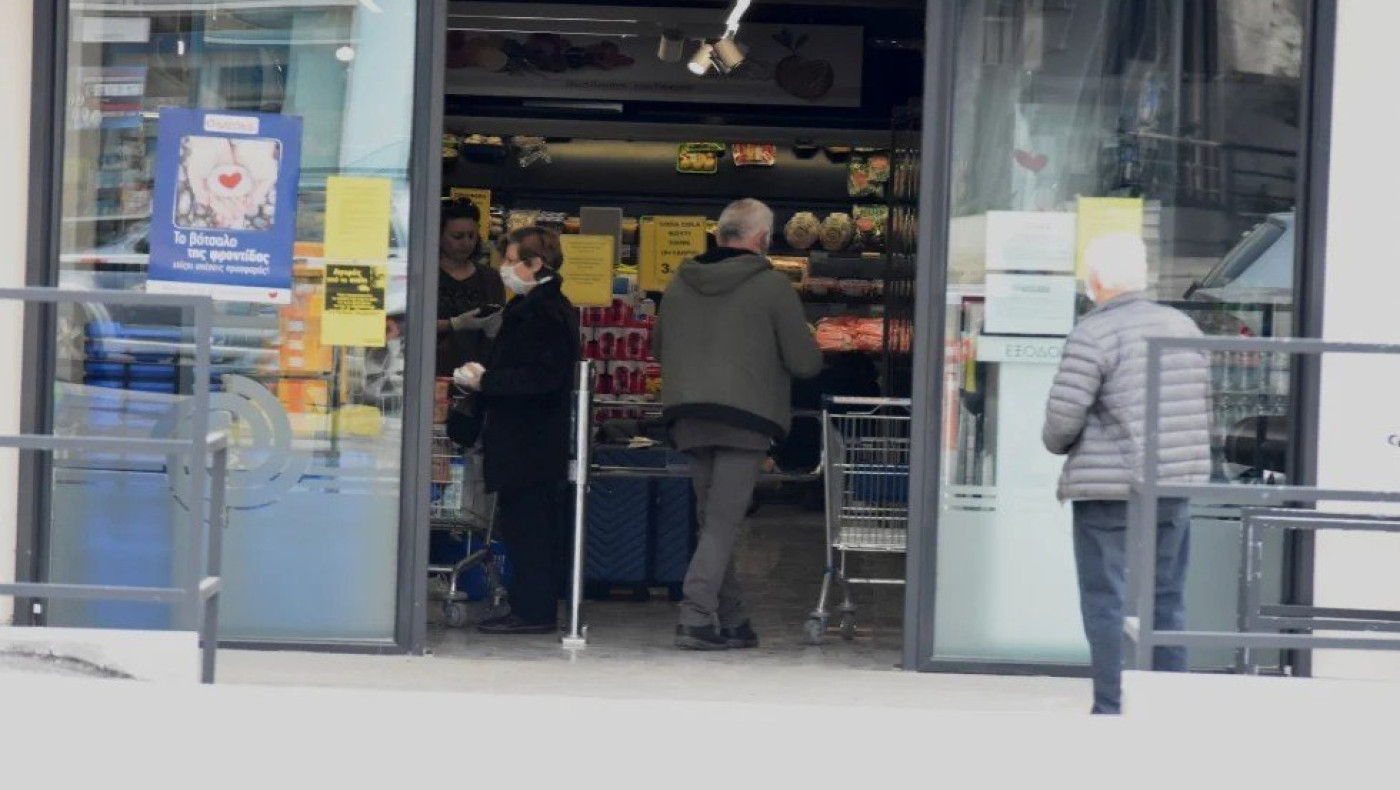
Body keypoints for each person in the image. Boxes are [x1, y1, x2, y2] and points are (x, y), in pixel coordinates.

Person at [1041, 232, 1212, 715]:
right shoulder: (1182, 327)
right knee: (1167, 598)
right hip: (1172, 485)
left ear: (1095, 280)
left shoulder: (1093, 332)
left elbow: (1062, 420)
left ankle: (1112, 705)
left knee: (1105, 598)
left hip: (1107, 488)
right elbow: (1202, 407)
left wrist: (1058, 445)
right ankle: (1168, 702)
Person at [655, 198, 823, 651]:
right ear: (764, 239)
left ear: (718, 234)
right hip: (745, 417)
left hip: (688, 415)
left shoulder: (678, 284)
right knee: (723, 523)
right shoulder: (773, 288)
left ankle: (733, 619)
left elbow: (658, 349)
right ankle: (693, 617)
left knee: (714, 521)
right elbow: (804, 363)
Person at [453, 227, 579, 635]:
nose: (504, 269)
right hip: (529, 438)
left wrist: (486, 382)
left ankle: (533, 609)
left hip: (530, 438)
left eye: (511, 261)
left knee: (530, 527)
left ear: (535, 264)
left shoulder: (542, 312)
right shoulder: (535, 306)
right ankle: (529, 604)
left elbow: (541, 377)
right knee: (526, 524)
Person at [436, 200, 506, 378]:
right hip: (431, 372)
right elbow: (404, 325)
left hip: (478, 375)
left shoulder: (490, 278)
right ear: (438, 236)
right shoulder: (425, 278)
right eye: (457, 236)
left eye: (472, 236)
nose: (466, 243)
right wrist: (453, 324)